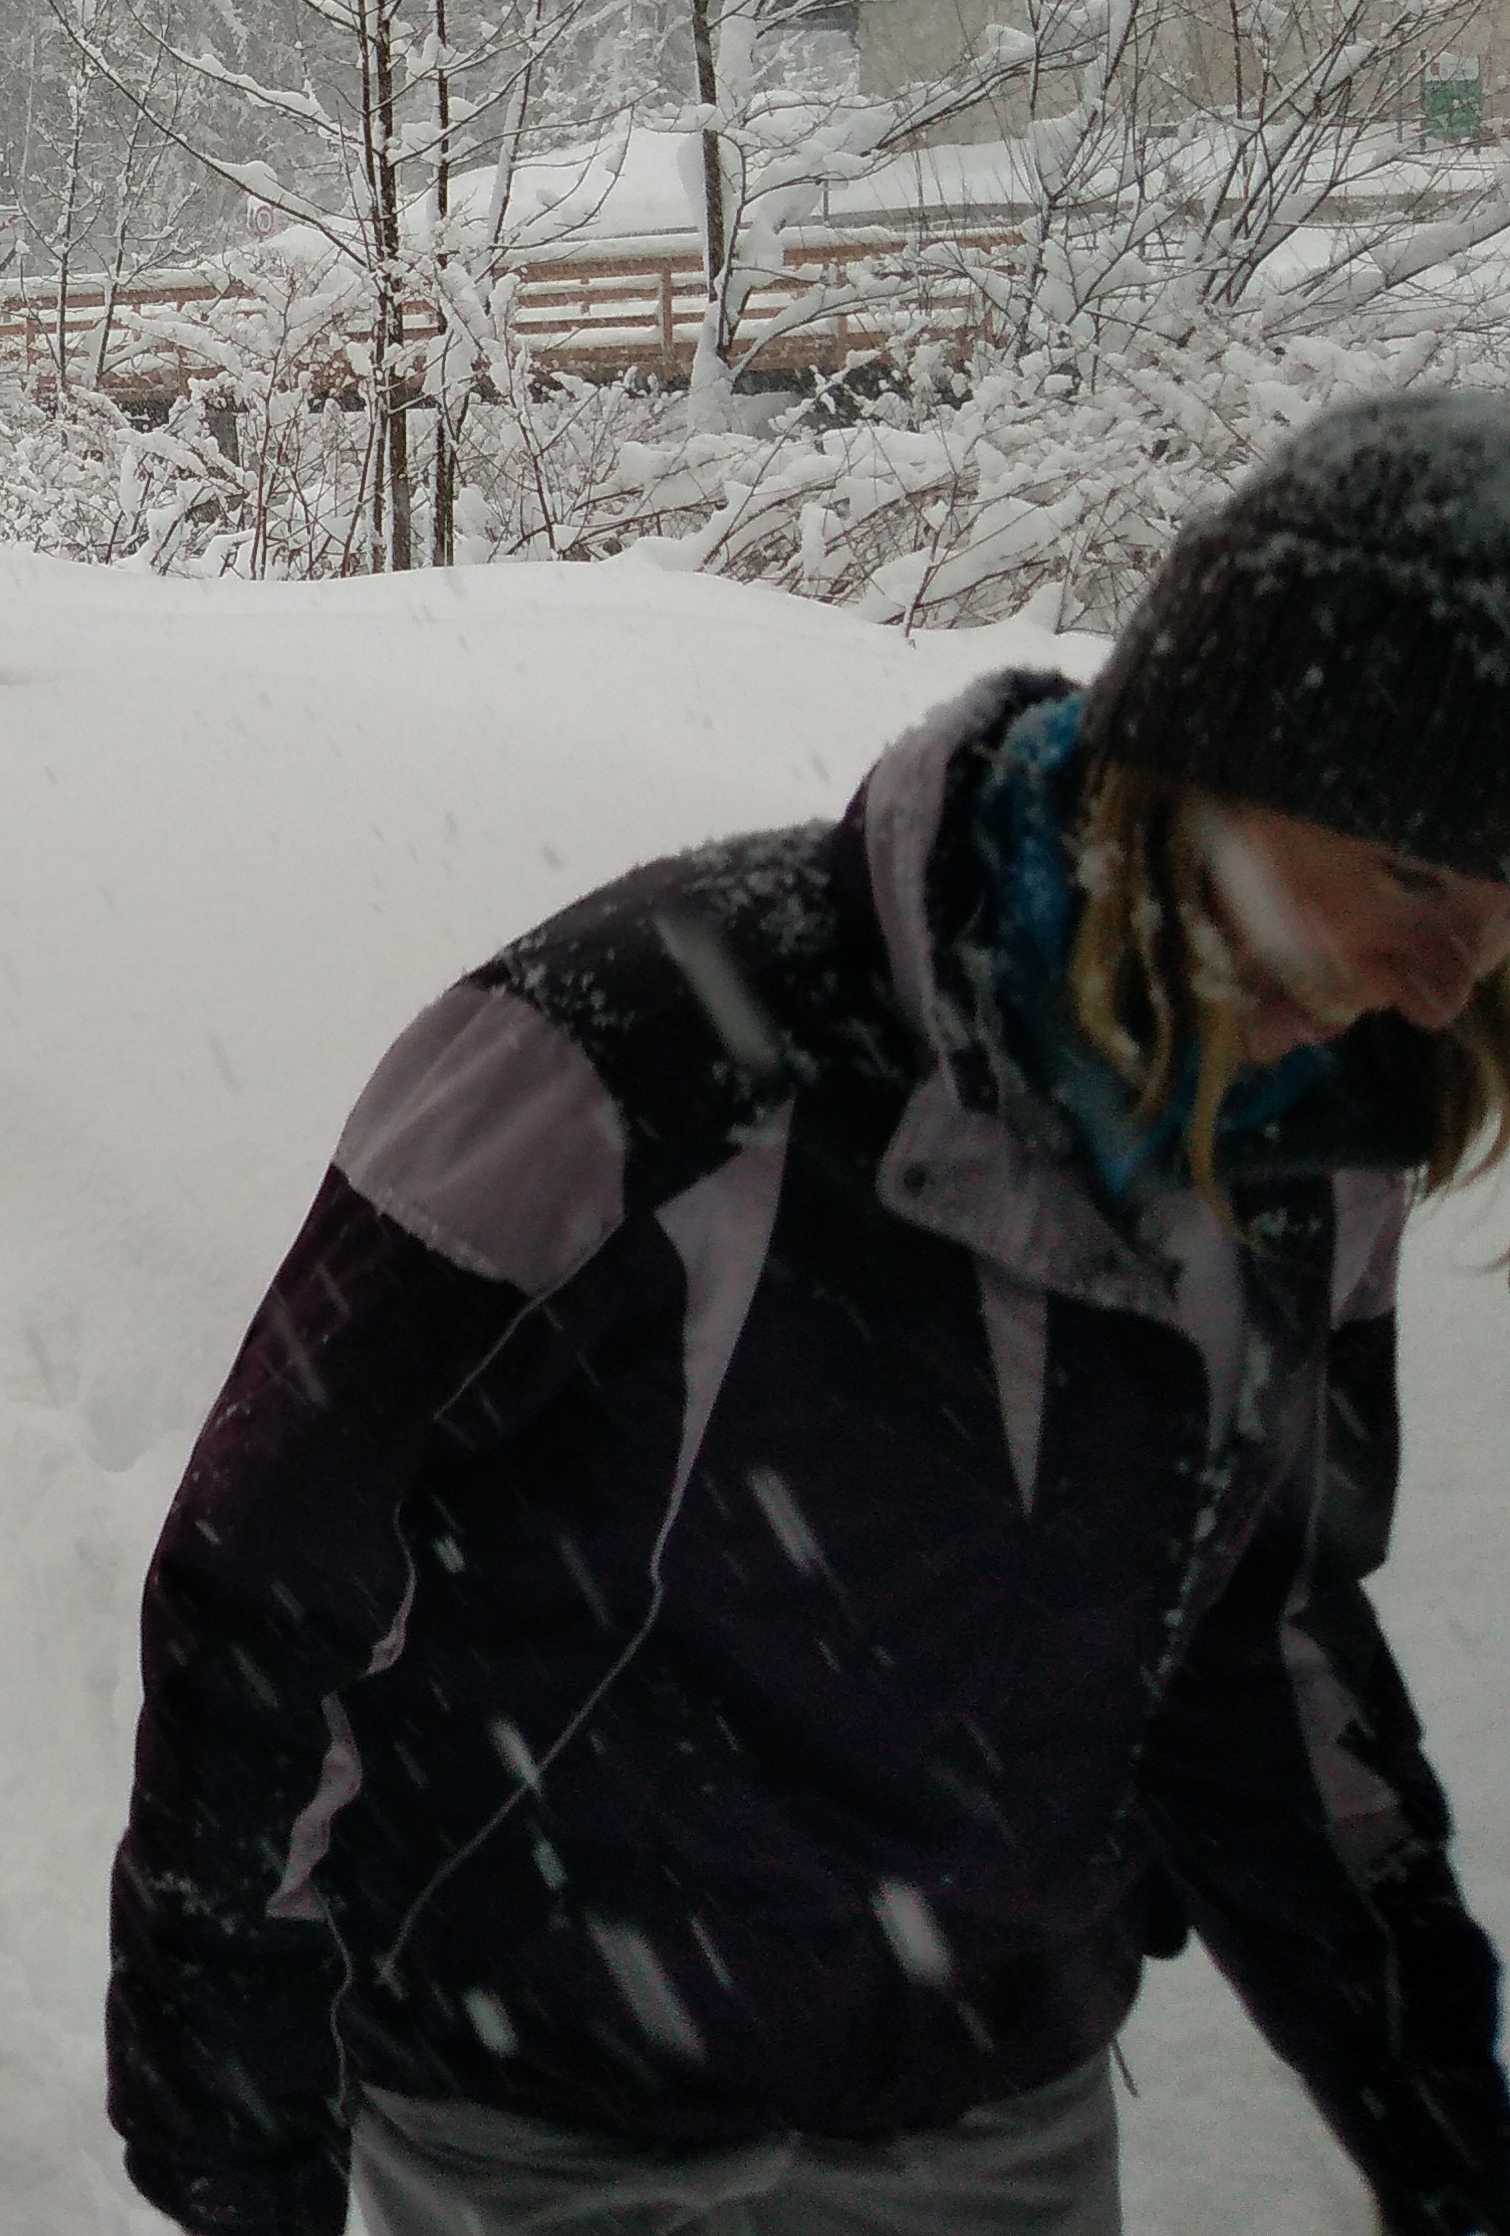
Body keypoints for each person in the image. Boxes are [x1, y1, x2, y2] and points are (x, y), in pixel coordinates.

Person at [111, 391, 1510, 2236]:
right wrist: (243, 2149)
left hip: (987, 2105)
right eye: (1413, 873)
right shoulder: (635, 1054)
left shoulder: (1314, 1158)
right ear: (1195, 776)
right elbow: (267, 1584)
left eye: (1504, 912)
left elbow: (1259, 1646)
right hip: (552, 2104)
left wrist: (1445, 2125)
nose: (1443, 981)